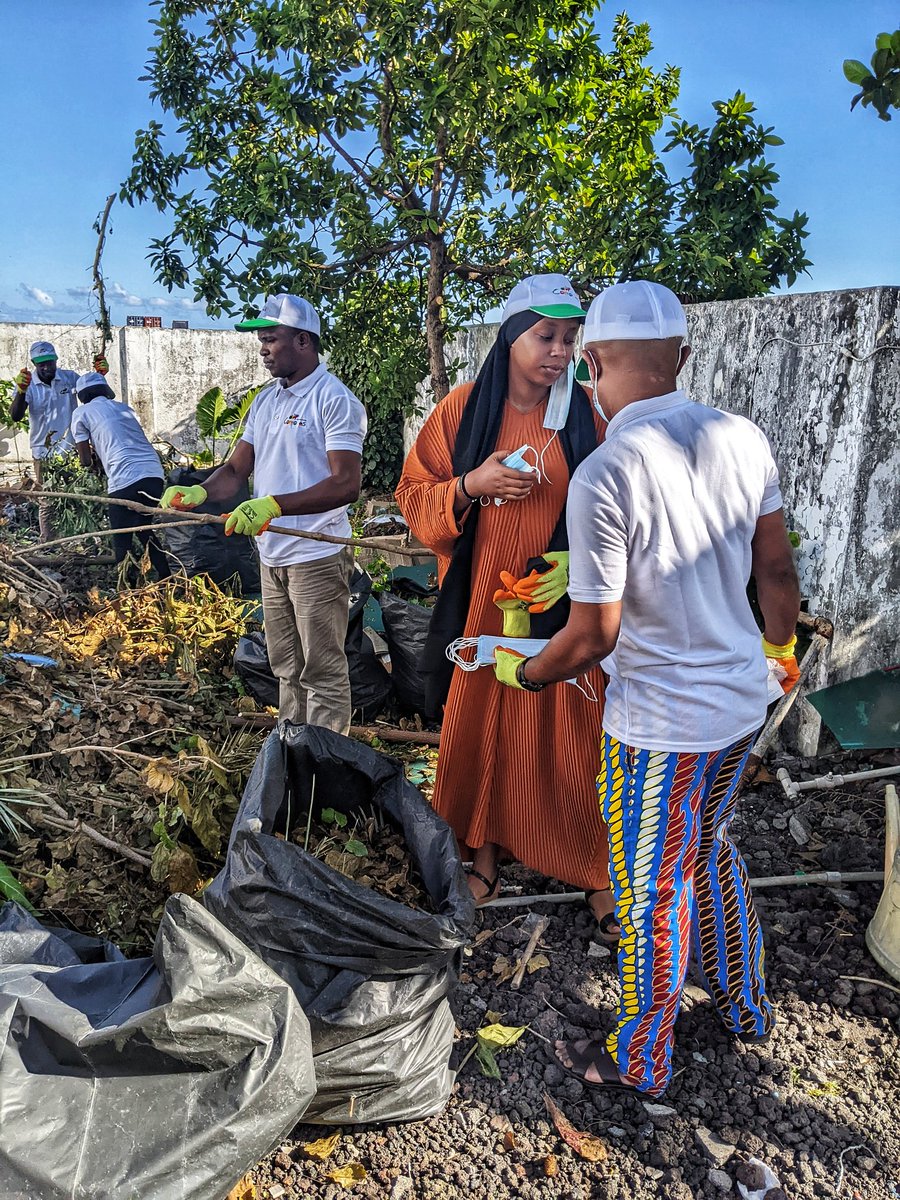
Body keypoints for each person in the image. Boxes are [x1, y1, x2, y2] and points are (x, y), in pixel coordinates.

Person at [494, 280, 801, 1097]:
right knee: (707, 853)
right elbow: (772, 569)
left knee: (650, 896)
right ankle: (746, 1007)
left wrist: (521, 669)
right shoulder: (741, 437)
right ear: (685, 358)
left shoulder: (608, 470)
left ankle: (641, 1060)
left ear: (590, 363)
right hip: (741, 706)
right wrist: (780, 649)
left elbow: (594, 636)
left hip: (662, 730)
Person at [396, 274, 618, 937]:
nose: (558, 350)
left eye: (569, 339)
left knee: (575, 736)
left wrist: (583, 565)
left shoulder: (591, 415)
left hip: (564, 606)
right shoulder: (463, 409)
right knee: (484, 726)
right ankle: (483, 852)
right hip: (485, 605)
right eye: (545, 335)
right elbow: (414, 496)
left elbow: (629, 506)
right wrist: (471, 483)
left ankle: (594, 868)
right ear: (512, 336)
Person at [160, 294, 366, 735]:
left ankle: (325, 764)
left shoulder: (334, 400)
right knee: (286, 666)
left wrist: (275, 505)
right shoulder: (266, 401)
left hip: (316, 555)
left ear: (304, 341)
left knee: (322, 671)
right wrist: (200, 491)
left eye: (271, 339)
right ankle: (291, 749)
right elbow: (236, 469)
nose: (263, 349)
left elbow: (346, 482)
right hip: (272, 555)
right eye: (261, 340)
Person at [71, 371, 171, 583]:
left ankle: (127, 590)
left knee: (121, 538)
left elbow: (85, 460)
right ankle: (167, 579)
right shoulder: (124, 408)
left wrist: (94, 462)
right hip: (153, 474)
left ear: (82, 395)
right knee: (144, 529)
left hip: (124, 478)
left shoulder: (81, 413)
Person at [10, 341, 91, 540]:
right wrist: (21, 391)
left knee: (79, 497)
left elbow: (91, 393)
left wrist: (99, 375)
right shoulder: (27, 384)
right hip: (43, 452)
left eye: (49, 362)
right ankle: (49, 543)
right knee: (47, 501)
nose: (46, 367)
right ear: (34, 365)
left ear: (56, 360)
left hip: (71, 449)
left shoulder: (70, 378)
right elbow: (15, 416)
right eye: (41, 364)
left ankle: (79, 539)